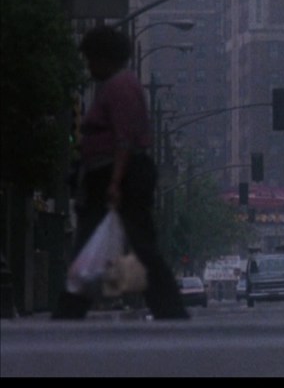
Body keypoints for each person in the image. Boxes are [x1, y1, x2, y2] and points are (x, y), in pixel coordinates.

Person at [53, 24, 188, 320]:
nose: (89, 67)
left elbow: (124, 138)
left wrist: (115, 181)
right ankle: (71, 308)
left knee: (138, 246)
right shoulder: (114, 86)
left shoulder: (121, 86)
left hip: (120, 177)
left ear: (105, 58)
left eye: (91, 59)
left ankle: (168, 307)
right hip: (107, 176)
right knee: (102, 244)